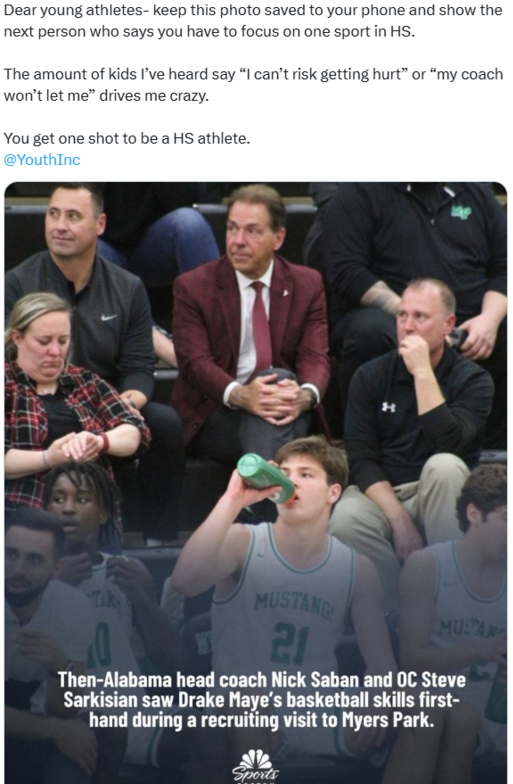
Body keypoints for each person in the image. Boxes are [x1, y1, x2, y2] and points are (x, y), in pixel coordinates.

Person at [171, 436, 480, 784]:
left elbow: (382, 666)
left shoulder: (356, 567)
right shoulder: (243, 541)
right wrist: (232, 499)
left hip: (318, 707)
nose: (291, 482)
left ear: (334, 493)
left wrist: (377, 701)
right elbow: (184, 581)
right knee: (248, 706)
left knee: (426, 710)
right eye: (285, 472)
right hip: (244, 708)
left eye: (306, 474)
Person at [4, 183, 185, 542]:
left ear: (100, 224)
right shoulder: (17, 282)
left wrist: (121, 406)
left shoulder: (128, 287)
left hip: (105, 401)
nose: (59, 226)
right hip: (34, 400)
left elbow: (139, 367)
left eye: (73, 216)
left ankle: (158, 541)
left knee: (164, 423)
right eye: (53, 214)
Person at [44, 462, 230, 784]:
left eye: (82, 499)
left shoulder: (129, 571)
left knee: (209, 730)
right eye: (58, 499)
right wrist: (57, 589)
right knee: (105, 732)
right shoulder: (27, 573)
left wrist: (142, 602)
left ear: (104, 513)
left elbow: (171, 660)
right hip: (68, 715)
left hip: (133, 713)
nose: (68, 508)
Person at [328, 278, 494, 613]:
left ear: (448, 324)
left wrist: (422, 373)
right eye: (402, 315)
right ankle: (400, 610)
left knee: (443, 466)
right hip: (384, 492)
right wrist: (400, 521)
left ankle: (450, 603)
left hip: (441, 490)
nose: (407, 326)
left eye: (420, 316)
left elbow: (448, 443)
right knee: (345, 518)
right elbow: (361, 459)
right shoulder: (370, 376)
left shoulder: (473, 380)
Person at [323, 182, 507, 448]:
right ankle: (364, 447)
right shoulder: (360, 192)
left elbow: (505, 266)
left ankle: (498, 453)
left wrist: (490, 319)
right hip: (388, 315)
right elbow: (347, 270)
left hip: (471, 319)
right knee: (370, 332)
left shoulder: (475, 192)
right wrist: (415, 316)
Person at [172, 183, 331, 470]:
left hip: (285, 406)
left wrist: (305, 395)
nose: (238, 241)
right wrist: (241, 395)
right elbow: (195, 363)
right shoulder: (193, 286)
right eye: (232, 229)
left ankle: (265, 491)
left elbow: (315, 355)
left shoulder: (306, 284)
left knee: (278, 387)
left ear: (278, 238)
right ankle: (273, 493)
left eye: (252, 231)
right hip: (218, 408)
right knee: (277, 420)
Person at [5, 293, 150, 549]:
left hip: (89, 519)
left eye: (63, 341)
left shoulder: (85, 381)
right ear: (18, 338)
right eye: (44, 341)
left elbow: (134, 430)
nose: (55, 351)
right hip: (21, 514)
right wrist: (48, 458)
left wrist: (99, 441)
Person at [398, 464, 507, 757]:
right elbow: (411, 661)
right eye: (507, 519)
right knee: (455, 723)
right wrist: (480, 649)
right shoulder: (428, 566)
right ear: (474, 514)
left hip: (497, 710)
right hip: (436, 704)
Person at [5, 507, 97, 784]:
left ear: (56, 568)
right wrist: (55, 730)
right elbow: (59, 724)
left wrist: (60, 667)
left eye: (34, 559)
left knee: (86, 738)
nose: (18, 570)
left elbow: (64, 710)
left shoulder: (73, 606)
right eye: (10, 554)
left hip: (22, 724)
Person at [96, 182, 220, 287]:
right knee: (90, 241)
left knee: (190, 222)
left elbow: (193, 201)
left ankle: (213, 306)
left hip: (157, 245)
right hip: (105, 244)